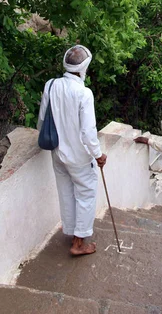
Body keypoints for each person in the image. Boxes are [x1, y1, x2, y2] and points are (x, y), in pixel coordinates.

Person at [38, 45, 107, 256]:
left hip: (57, 152)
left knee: (66, 192)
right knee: (85, 194)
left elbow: (42, 120)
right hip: (78, 155)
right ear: (84, 67)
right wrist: (99, 154)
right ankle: (78, 243)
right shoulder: (84, 93)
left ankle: (71, 231)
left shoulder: (51, 85)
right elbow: (88, 132)